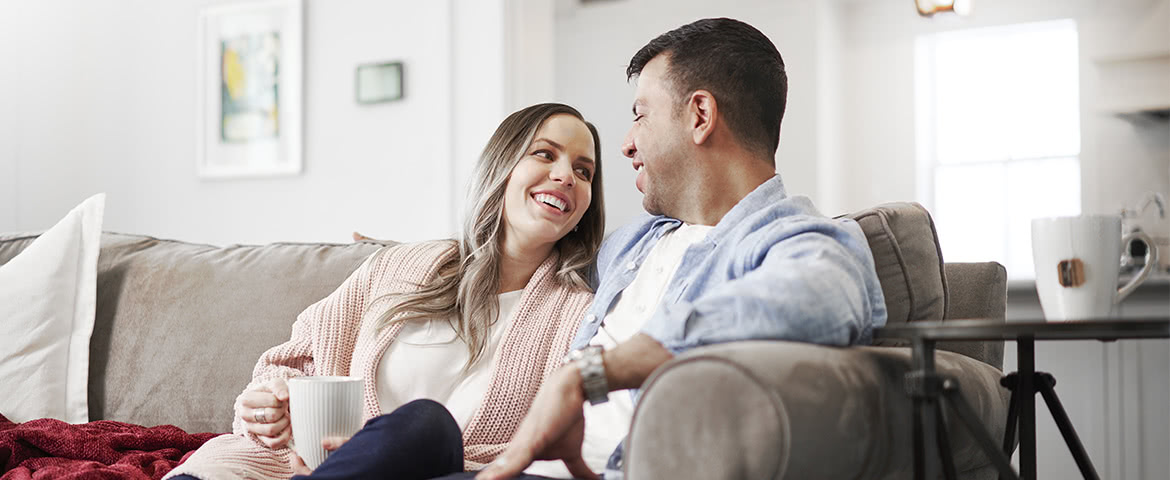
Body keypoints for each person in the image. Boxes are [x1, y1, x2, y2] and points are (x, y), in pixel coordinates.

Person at [470, 17, 889, 480]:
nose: (627, 145)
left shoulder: (793, 238)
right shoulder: (628, 246)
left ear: (700, 116)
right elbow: (528, 261)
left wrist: (589, 373)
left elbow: (820, 299)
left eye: (640, 115)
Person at [164, 103, 606, 480]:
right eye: (545, 154)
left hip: (455, 471)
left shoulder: (580, 314)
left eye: (583, 171)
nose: (566, 176)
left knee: (428, 425)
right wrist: (273, 405)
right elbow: (294, 362)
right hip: (301, 462)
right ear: (501, 166)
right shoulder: (401, 266)